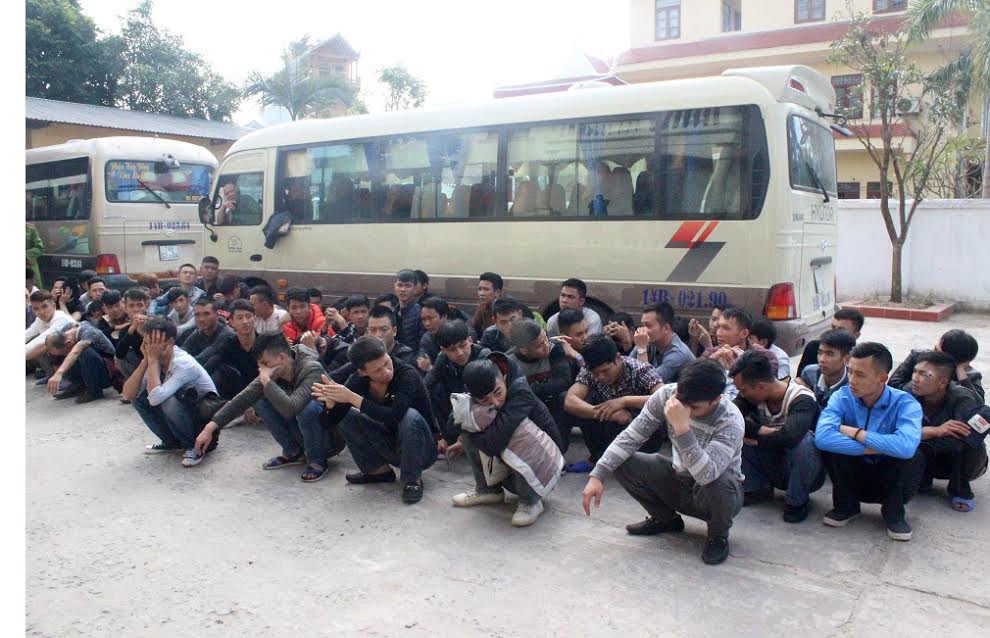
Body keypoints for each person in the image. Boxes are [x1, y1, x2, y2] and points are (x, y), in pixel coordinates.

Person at [581, 358, 745, 565]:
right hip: (680, 478)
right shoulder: (668, 395)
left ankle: (717, 536)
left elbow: (707, 475)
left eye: (693, 407)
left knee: (720, 481)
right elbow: (631, 436)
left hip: (717, 493)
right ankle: (666, 520)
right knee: (622, 461)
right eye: (681, 402)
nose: (683, 409)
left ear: (716, 400)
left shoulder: (730, 421)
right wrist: (598, 475)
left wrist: (682, 429)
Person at [814, 342, 924, 541]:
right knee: (831, 450)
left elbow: (906, 447)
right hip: (855, 472)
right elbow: (823, 437)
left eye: (860, 375)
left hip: (890, 477)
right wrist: (875, 448)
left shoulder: (906, 403)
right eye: (850, 372)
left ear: (883, 378)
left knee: (914, 455)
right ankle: (846, 506)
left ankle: (894, 513)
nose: (852, 380)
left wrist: (856, 433)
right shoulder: (842, 396)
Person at [313, 336, 439, 504]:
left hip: (422, 450)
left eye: (387, 363)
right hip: (391, 445)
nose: (387, 372)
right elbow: (328, 423)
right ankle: (377, 471)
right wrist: (330, 406)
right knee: (347, 415)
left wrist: (353, 398)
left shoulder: (407, 374)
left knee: (409, 416)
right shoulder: (358, 381)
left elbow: (395, 416)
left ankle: (412, 480)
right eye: (377, 370)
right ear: (362, 372)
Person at [196, 333, 333, 482]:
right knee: (259, 401)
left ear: (281, 358)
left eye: (265, 364)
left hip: (329, 437)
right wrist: (210, 428)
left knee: (308, 408)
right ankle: (294, 453)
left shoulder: (311, 368)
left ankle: (317, 460)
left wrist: (266, 382)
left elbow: (291, 408)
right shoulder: (276, 368)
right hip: (302, 430)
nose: (262, 370)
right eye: (260, 365)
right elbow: (243, 398)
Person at [451, 358, 564, 526]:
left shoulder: (520, 390)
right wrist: (466, 426)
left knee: (517, 435)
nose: (495, 403)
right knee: (468, 425)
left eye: (498, 393)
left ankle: (531, 501)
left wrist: (467, 430)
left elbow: (494, 442)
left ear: (504, 377)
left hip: (542, 473)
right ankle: (487, 490)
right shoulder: (481, 384)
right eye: (484, 400)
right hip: (510, 472)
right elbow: (453, 419)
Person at [730, 350, 824, 523]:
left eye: (743, 390)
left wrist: (757, 438)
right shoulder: (751, 395)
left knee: (804, 443)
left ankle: (797, 501)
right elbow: (729, 418)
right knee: (734, 433)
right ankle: (757, 488)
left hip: (805, 471)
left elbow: (791, 437)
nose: (741, 395)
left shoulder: (801, 398)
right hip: (773, 463)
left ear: (760, 386)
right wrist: (761, 430)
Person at [121, 316, 219, 467]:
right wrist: (145, 361)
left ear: (171, 343)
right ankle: (171, 442)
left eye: (155, 343)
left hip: (204, 426)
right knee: (138, 398)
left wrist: (152, 360)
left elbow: (155, 398)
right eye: (147, 343)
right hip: (184, 415)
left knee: (166, 399)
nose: (150, 348)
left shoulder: (183, 363)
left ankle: (193, 447)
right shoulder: (156, 359)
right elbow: (127, 394)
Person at [901, 351, 988, 513]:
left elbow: (964, 437)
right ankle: (922, 479)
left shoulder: (961, 397)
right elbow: (898, 432)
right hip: (928, 452)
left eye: (924, 374)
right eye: (914, 372)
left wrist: (922, 434)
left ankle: (960, 489)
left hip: (958, 458)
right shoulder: (908, 392)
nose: (915, 378)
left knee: (963, 440)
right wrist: (935, 431)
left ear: (942, 382)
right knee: (906, 442)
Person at [563, 335, 664, 472]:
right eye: (596, 373)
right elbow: (570, 400)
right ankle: (597, 458)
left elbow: (665, 397)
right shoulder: (589, 371)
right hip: (613, 425)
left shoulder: (639, 369)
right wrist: (609, 414)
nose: (601, 377)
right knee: (580, 403)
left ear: (617, 358)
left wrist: (624, 401)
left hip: (643, 430)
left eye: (605, 370)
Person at [506, 319, 573, 450]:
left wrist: (530, 389)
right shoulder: (509, 362)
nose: (546, 345)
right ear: (524, 350)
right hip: (528, 409)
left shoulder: (554, 347)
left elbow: (564, 381)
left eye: (546, 338)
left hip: (553, 404)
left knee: (564, 397)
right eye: (539, 345)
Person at [425, 319, 492, 448]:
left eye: (463, 345)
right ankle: (447, 439)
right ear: (443, 350)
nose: (459, 353)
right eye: (452, 349)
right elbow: (425, 386)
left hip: (482, 408)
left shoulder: (484, 356)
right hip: (456, 409)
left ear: (470, 340)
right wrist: (437, 434)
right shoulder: (443, 359)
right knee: (435, 392)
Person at [888, 329, 984, 402]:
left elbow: (977, 407)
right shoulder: (917, 357)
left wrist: (960, 373)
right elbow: (892, 388)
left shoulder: (970, 375)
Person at [327, 305, 418, 381]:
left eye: (384, 329)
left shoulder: (406, 357)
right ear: (367, 332)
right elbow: (330, 380)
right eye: (373, 330)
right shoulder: (364, 354)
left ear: (394, 331)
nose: (378, 335)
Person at [703, 307, 778, 400]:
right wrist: (709, 364)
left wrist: (739, 368)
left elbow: (763, 390)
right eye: (718, 327)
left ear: (744, 333)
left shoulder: (765, 357)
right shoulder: (711, 354)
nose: (718, 333)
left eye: (726, 328)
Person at [197, 299, 260, 402]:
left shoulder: (266, 344)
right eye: (239, 318)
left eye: (248, 316)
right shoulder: (228, 345)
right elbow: (210, 365)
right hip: (237, 399)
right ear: (231, 322)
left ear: (255, 318)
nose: (245, 322)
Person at [43, 319, 117, 403]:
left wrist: (58, 373)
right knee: (59, 354)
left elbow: (75, 351)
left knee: (84, 351)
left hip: (108, 372)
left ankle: (94, 390)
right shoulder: (67, 329)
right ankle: (78, 386)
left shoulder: (89, 332)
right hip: (88, 365)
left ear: (69, 343)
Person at [631, 301, 695, 384]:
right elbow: (624, 371)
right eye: (642, 325)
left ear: (666, 328)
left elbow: (647, 384)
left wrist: (641, 350)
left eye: (648, 326)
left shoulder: (677, 354)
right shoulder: (649, 341)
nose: (642, 330)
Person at [796, 308, 865, 376]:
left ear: (856, 335)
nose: (822, 359)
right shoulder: (814, 348)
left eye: (841, 330)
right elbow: (799, 380)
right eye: (833, 327)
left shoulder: (862, 358)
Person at [798, 329, 856, 407]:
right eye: (819, 352)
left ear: (847, 359)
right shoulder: (809, 373)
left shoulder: (853, 384)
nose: (822, 359)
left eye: (829, 354)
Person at [26, 290, 76, 365]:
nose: (41, 312)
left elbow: (42, 339)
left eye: (45, 307)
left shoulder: (61, 319)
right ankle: (50, 374)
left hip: (76, 355)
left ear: (53, 306)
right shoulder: (39, 320)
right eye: (36, 309)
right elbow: (27, 334)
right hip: (60, 356)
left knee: (42, 345)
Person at [114, 288, 149, 383]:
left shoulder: (155, 323)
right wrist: (132, 329)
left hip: (156, 365)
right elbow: (119, 354)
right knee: (123, 353)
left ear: (146, 306)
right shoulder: (126, 330)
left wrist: (142, 332)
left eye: (140, 305)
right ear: (125, 308)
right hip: (139, 367)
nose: (136, 309)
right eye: (131, 306)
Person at [417, 296, 449, 373]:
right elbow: (422, 360)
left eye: (431, 318)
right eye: (423, 319)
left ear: (444, 317)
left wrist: (431, 368)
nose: (427, 324)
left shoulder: (460, 335)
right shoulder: (427, 338)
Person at [393, 269, 423, 351]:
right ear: (394, 286)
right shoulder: (393, 311)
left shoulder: (420, 313)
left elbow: (422, 345)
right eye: (399, 285)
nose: (403, 289)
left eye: (408, 286)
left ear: (415, 288)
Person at [470, 272, 503, 339]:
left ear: (497, 292)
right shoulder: (482, 305)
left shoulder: (504, 310)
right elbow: (472, 326)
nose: (481, 293)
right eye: (479, 289)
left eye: (486, 289)